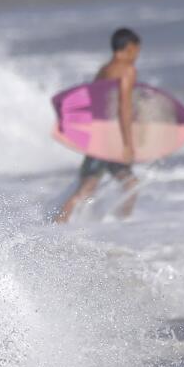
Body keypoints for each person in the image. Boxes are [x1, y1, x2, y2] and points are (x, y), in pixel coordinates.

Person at [55, 28, 142, 224]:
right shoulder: (127, 70)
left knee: (129, 184)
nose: (136, 56)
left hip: (101, 136)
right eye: (137, 51)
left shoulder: (104, 70)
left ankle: (122, 225)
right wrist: (128, 144)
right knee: (89, 188)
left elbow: (94, 103)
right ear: (129, 48)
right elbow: (124, 108)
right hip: (107, 141)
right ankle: (55, 225)